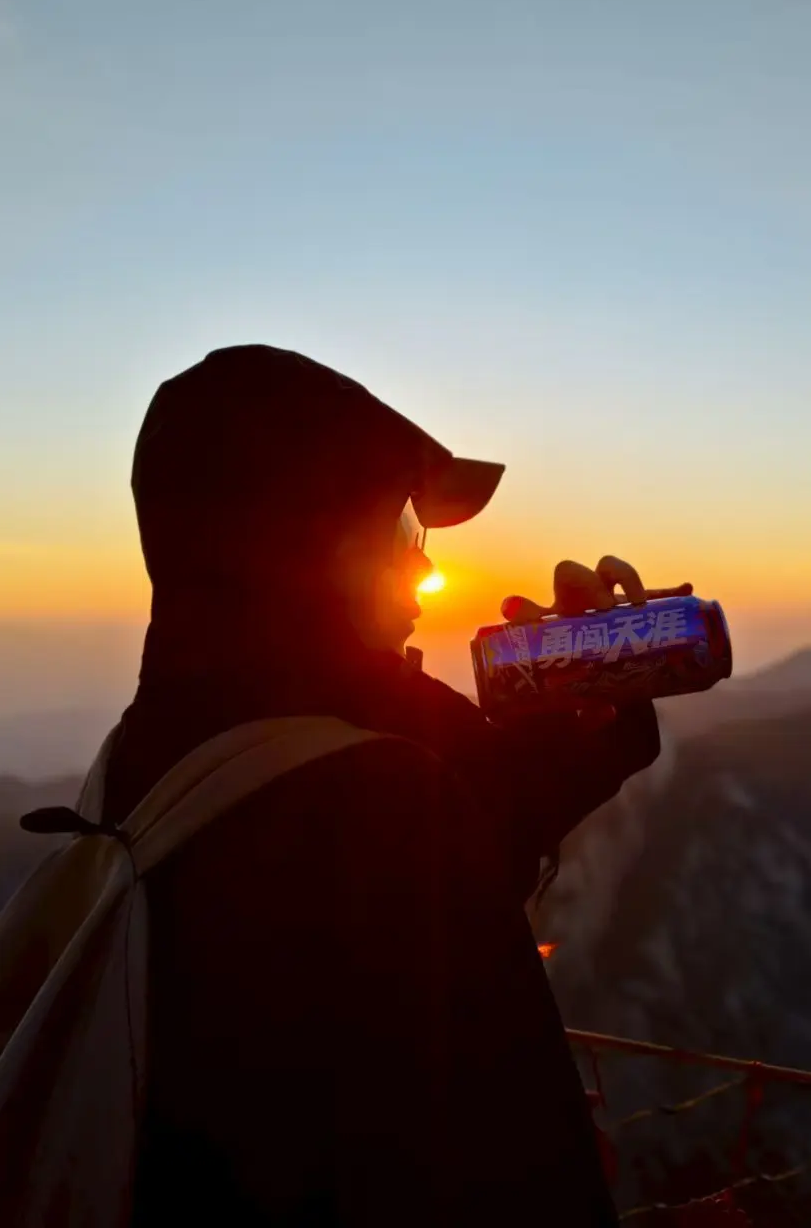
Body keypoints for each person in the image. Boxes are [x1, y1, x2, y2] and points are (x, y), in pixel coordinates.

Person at [104, 345, 663, 1226]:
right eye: (403, 526)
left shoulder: (151, 753)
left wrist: (583, 719)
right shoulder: (375, 794)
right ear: (301, 539)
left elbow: (477, 809)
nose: (422, 572)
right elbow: (520, 1162)